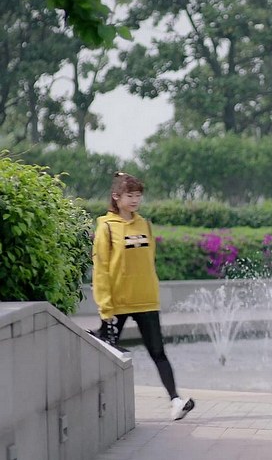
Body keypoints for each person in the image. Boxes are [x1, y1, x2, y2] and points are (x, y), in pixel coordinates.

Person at [92, 172, 195, 421]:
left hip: (146, 301)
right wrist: (105, 307)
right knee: (107, 356)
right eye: (130, 195)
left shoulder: (145, 225)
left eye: (138, 195)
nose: (135, 200)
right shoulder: (107, 227)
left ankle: (176, 401)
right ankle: (99, 406)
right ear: (116, 197)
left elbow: (149, 261)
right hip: (117, 304)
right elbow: (101, 270)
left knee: (158, 352)